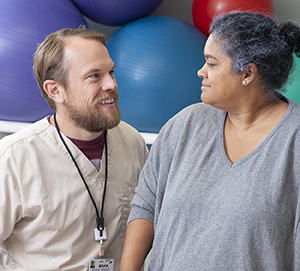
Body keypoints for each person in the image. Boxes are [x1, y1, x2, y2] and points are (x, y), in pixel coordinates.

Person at [120, 11, 300, 271]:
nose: (201, 71)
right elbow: (145, 205)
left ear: (247, 73)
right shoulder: (185, 125)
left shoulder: (293, 139)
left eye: (212, 63)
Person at [0, 28, 149, 271]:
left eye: (111, 72)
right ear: (55, 91)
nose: (111, 84)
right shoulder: (12, 158)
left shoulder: (132, 142)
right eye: (94, 76)